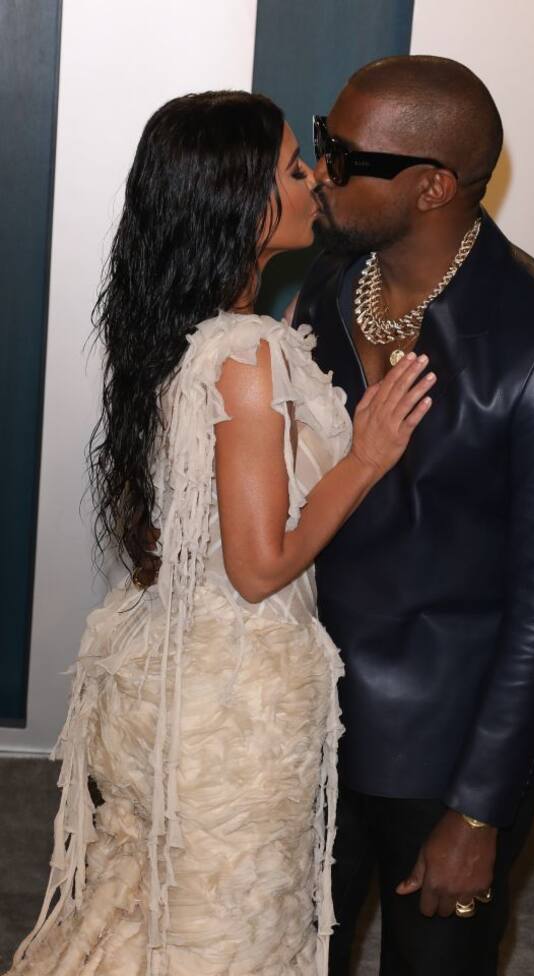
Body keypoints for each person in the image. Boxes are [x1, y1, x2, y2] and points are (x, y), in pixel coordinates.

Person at [6, 91, 436, 976]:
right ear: (244, 202)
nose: (316, 180)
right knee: (224, 940)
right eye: (293, 169)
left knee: (153, 926)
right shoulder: (244, 354)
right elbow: (258, 567)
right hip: (234, 710)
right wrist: (366, 456)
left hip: (172, 675)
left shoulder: (180, 329)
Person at [292, 56, 534, 975]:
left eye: (345, 156)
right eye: (321, 141)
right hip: (302, 725)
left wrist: (479, 809)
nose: (320, 170)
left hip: (442, 761)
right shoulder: (326, 287)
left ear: (433, 186)